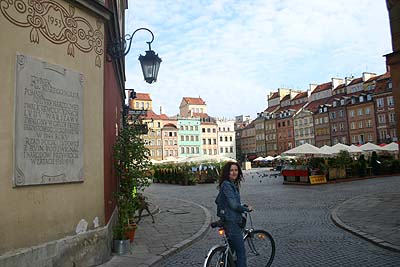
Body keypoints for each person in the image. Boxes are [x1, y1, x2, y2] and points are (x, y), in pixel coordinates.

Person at [216, 161, 253, 267]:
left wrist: (242, 205)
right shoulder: (227, 185)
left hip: (229, 220)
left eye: (236, 170)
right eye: (231, 170)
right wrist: (246, 209)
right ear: (227, 172)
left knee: (230, 251)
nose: (234, 172)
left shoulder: (231, 184)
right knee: (241, 253)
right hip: (232, 222)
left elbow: (229, 201)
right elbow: (233, 205)